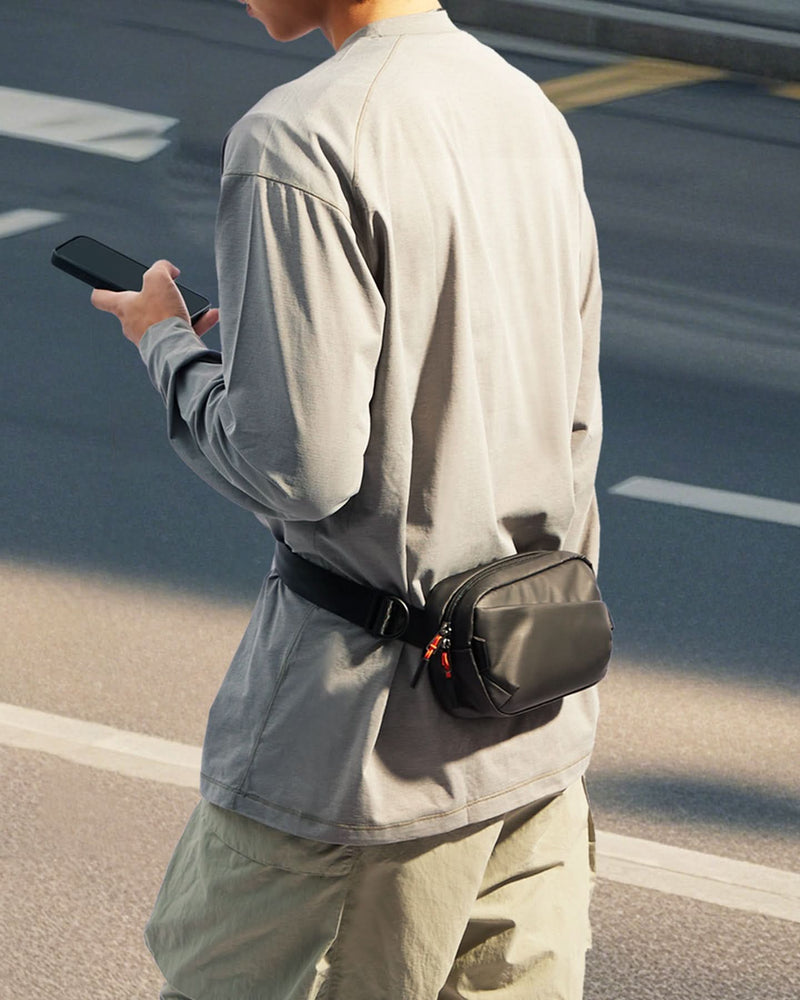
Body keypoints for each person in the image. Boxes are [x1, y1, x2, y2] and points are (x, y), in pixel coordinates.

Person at [91, 1, 604, 997]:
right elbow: (566, 419)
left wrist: (167, 344)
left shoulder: (298, 138)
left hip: (360, 760)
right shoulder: (523, 110)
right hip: (530, 722)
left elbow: (298, 470)